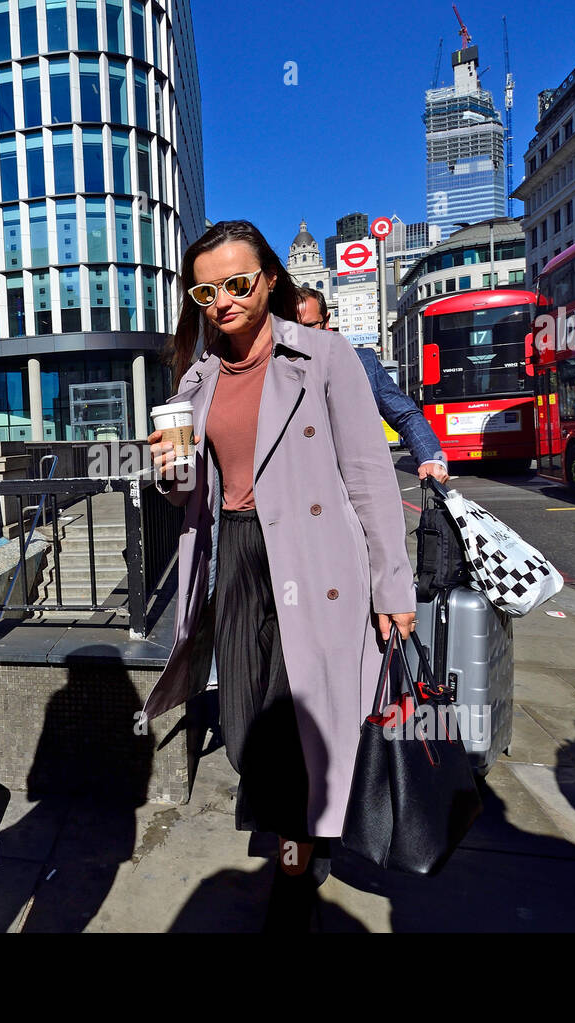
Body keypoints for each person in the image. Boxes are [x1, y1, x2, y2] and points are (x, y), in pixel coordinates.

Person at [142, 221, 417, 929]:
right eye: (207, 289)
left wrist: (393, 586)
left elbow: (367, 475)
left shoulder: (323, 356)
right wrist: (168, 473)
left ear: (269, 279)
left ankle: (295, 872)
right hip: (233, 551)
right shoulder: (197, 380)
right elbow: (190, 490)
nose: (222, 301)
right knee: (242, 720)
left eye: (238, 283)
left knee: (301, 718)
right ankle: (302, 831)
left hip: (315, 555)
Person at [296, 287, 448, 483]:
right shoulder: (270, 370)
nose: (300, 337)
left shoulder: (364, 363)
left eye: (308, 327)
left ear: (326, 321)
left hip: (356, 490)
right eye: (292, 329)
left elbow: (406, 415)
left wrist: (432, 459)